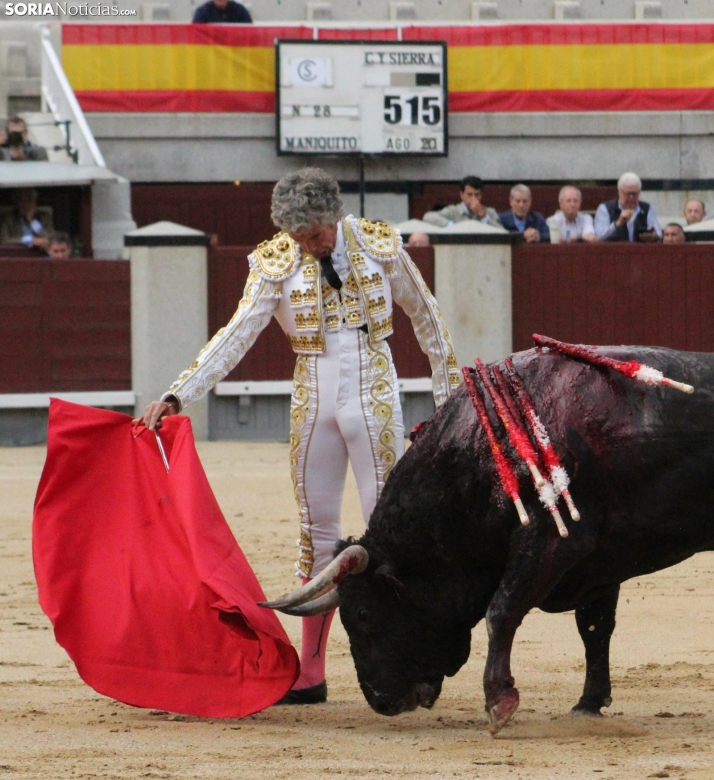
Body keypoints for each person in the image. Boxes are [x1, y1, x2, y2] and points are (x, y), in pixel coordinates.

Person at [142, 168, 461, 705]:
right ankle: (311, 675)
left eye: (314, 235)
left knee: (388, 536)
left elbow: (430, 323)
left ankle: (409, 665)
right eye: (298, 238)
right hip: (311, 394)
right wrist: (178, 394)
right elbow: (236, 333)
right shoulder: (277, 261)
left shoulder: (380, 245)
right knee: (316, 531)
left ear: (334, 217)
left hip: (373, 391)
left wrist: (449, 406)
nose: (307, 247)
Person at [594, 172, 662, 243]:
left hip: (640, 251)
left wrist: (651, 236)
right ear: (619, 192)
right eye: (628, 194)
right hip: (614, 251)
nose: (631, 198)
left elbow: (659, 234)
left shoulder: (646, 209)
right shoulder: (605, 209)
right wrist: (618, 223)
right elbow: (599, 236)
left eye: (635, 194)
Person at [423, 176, 501, 229]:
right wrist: (453, 227)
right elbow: (428, 217)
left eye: (477, 195)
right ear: (462, 195)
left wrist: (484, 217)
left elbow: (502, 233)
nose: (473, 198)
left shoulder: (490, 212)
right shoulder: (453, 211)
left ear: (481, 195)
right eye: (469, 195)